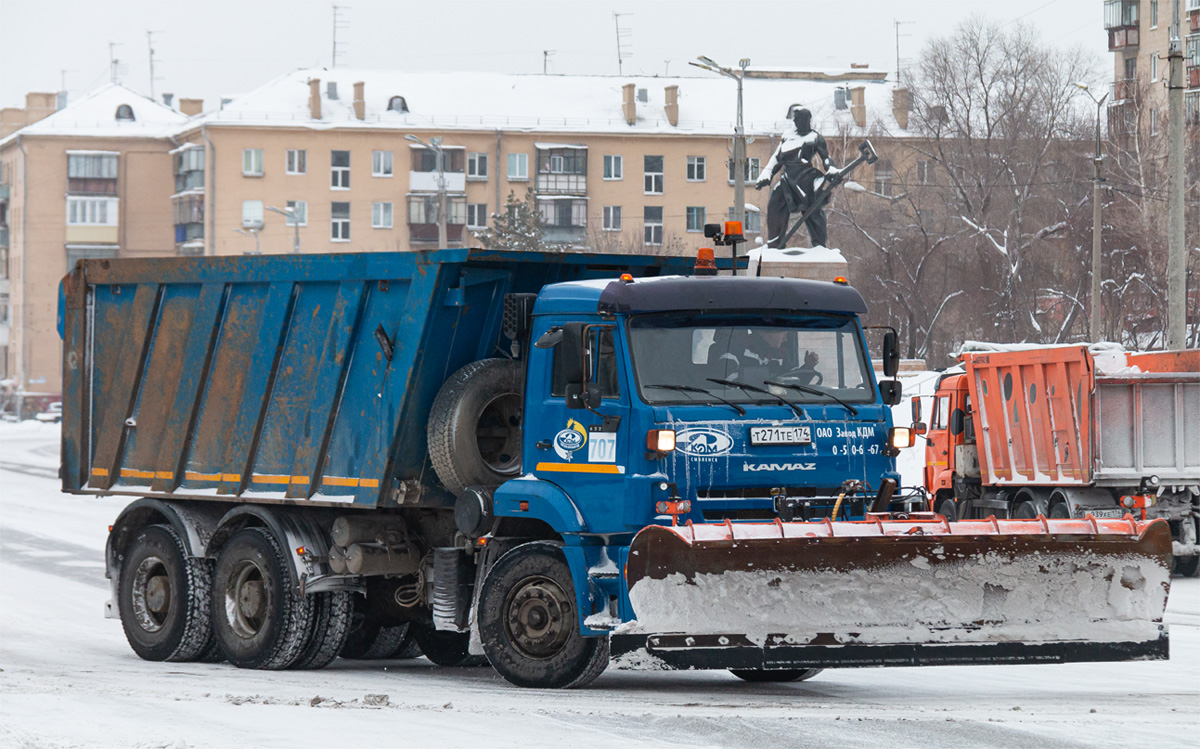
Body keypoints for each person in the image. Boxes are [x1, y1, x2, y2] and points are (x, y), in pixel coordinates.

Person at [756, 105, 838, 248]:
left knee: (814, 213)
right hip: (787, 179)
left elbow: (825, 158)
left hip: (806, 179)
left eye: (801, 120)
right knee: (775, 206)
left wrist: (831, 169)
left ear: (807, 120)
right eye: (796, 121)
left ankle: (819, 246)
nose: (797, 123)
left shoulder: (815, 138)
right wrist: (767, 173)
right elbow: (776, 158)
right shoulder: (787, 137)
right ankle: (774, 244)